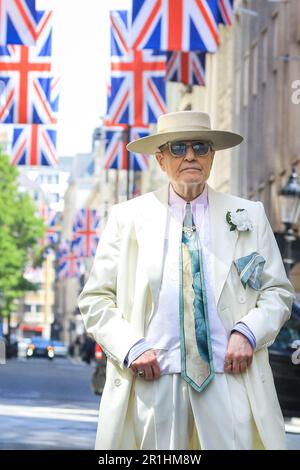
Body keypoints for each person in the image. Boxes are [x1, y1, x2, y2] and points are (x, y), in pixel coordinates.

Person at [78, 111, 294, 450]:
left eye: (200, 147)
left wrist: (248, 333)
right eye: (178, 148)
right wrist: (132, 347)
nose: (190, 155)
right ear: (161, 160)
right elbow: (95, 298)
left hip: (230, 379)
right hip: (152, 381)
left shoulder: (248, 215)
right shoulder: (127, 218)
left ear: (212, 156)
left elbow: (277, 292)